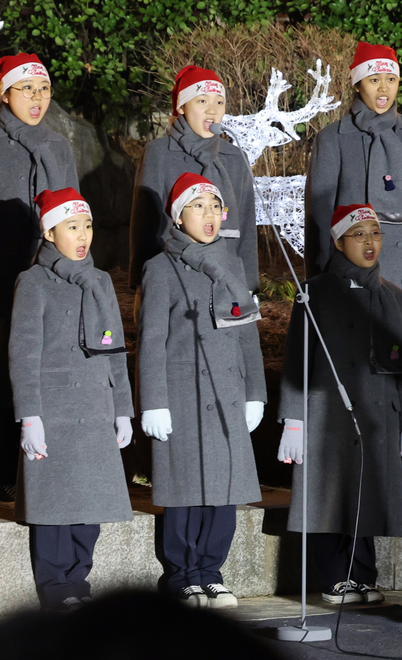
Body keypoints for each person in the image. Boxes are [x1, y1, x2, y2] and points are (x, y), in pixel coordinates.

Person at [278, 204, 402, 605]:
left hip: (379, 413)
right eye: (358, 234)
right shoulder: (314, 293)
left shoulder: (395, 296)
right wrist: (294, 418)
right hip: (329, 413)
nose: (369, 242)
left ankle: (362, 574)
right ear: (339, 241)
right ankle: (333, 577)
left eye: (375, 233)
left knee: (368, 493)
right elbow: (297, 360)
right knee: (331, 494)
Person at [137, 173, 265, 609]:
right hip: (183, 393)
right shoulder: (160, 268)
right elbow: (151, 341)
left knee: (225, 488)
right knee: (186, 488)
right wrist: (153, 401)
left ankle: (211, 571)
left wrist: (255, 392)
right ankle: (182, 575)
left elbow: (248, 333)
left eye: (215, 207)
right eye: (198, 207)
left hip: (227, 390)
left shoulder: (233, 263)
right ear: (178, 216)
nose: (209, 216)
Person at [0, 53, 80, 500]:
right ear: (5, 92)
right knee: (4, 371)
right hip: (3, 274)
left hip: (52, 276)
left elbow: (75, 214)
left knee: (47, 367)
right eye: (27, 88)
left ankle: (42, 463)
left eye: (44, 89)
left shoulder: (57, 145)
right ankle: (0, 470)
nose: (37, 98)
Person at [10, 188, 134, 610]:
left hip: (96, 406)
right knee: (54, 505)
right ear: (49, 233)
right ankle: (55, 586)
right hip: (55, 407)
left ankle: (80, 578)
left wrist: (123, 410)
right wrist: (30, 415)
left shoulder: (99, 281)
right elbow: (23, 352)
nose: (83, 235)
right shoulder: (33, 282)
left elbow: (114, 349)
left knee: (90, 501)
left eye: (87, 226)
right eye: (72, 227)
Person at [305, 43, 402, 364]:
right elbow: (320, 212)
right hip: (351, 273)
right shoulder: (333, 139)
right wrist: (317, 276)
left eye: (391, 79)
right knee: (356, 365)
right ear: (357, 84)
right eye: (374, 80)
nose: (384, 88)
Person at [130, 65, 258, 292]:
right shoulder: (159, 153)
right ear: (181, 106)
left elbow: (246, 227)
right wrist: (142, 286)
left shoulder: (235, 158)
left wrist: (249, 287)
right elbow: (145, 227)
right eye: (202, 101)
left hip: (226, 276)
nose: (212, 110)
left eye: (219, 102)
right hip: (174, 277)